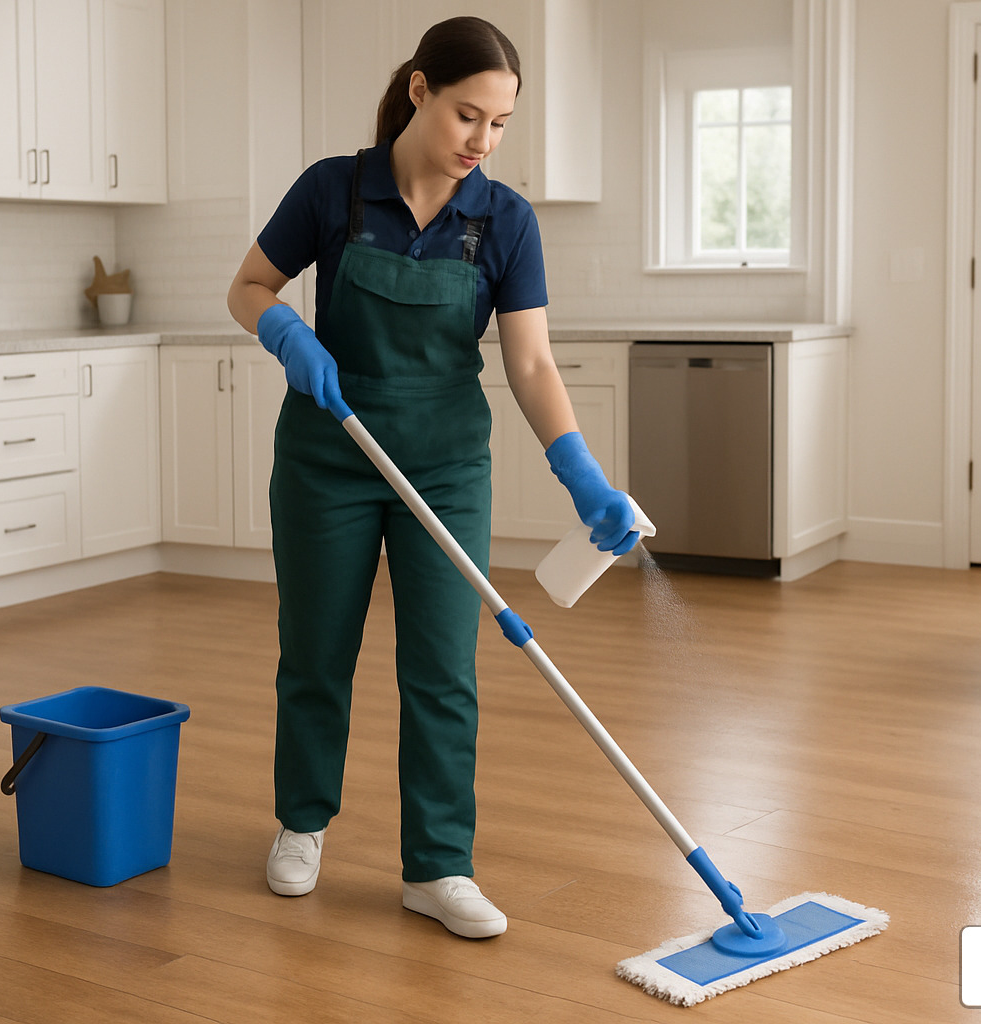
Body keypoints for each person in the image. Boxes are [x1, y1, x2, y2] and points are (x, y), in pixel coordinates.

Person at [226, 16, 639, 940]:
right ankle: (303, 824)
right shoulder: (334, 189)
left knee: (445, 668)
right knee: (317, 649)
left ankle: (439, 866)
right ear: (418, 91)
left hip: (447, 463)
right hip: (330, 453)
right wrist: (285, 330)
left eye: (498, 125)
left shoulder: (505, 220)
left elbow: (530, 365)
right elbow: (247, 286)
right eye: (467, 115)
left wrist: (582, 475)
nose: (481, 143)